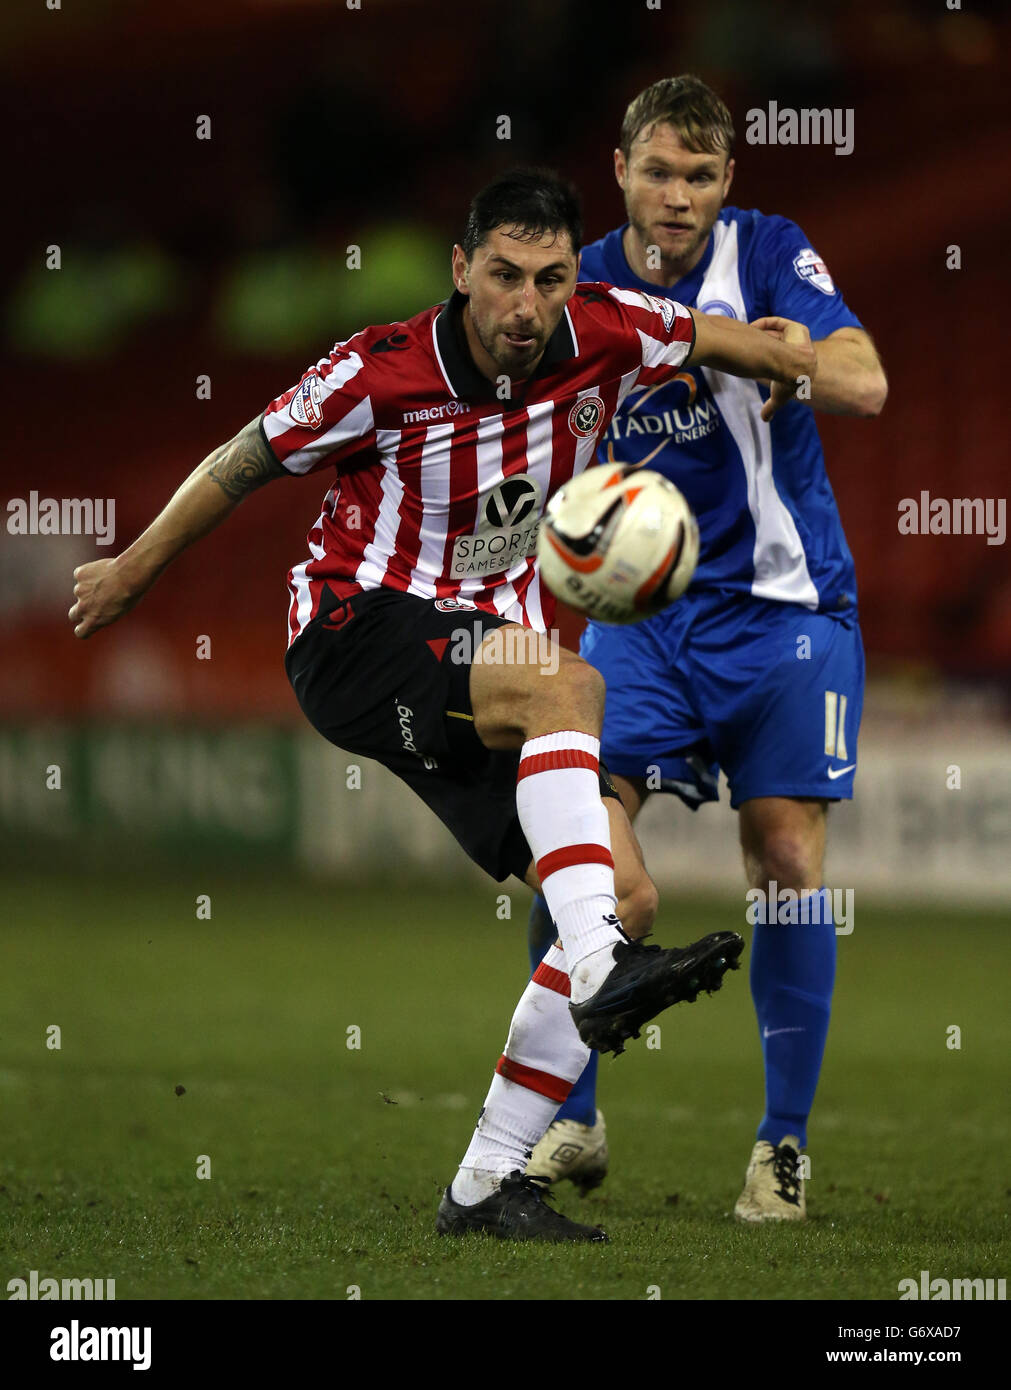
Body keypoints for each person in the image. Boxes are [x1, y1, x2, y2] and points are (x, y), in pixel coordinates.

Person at [69, 168, 816, 1242]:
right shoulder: (377, 372)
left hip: (476, 667)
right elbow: (243, 459)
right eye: (504, 276)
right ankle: (605, 969)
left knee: (627, 893)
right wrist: (136, 569)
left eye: (550, 278)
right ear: (462, 270)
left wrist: (792, 359)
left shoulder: (610, 332)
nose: (526, 304)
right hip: (354, 631)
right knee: (573, 684)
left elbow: (712, 337)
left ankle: (486, 1182)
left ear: (572, 280)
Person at [526, 79, 887, 1222]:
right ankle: (571, 1114)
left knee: (784, 858)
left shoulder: (771, 253)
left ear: (728, 183)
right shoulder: (574, 284)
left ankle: (781, 1147)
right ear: (619, 164)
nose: (678, 197)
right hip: (637, 615)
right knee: (580, 847)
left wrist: (786, 358)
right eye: (659, 171)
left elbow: (866, 381)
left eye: (701, 177)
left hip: (785, 612)